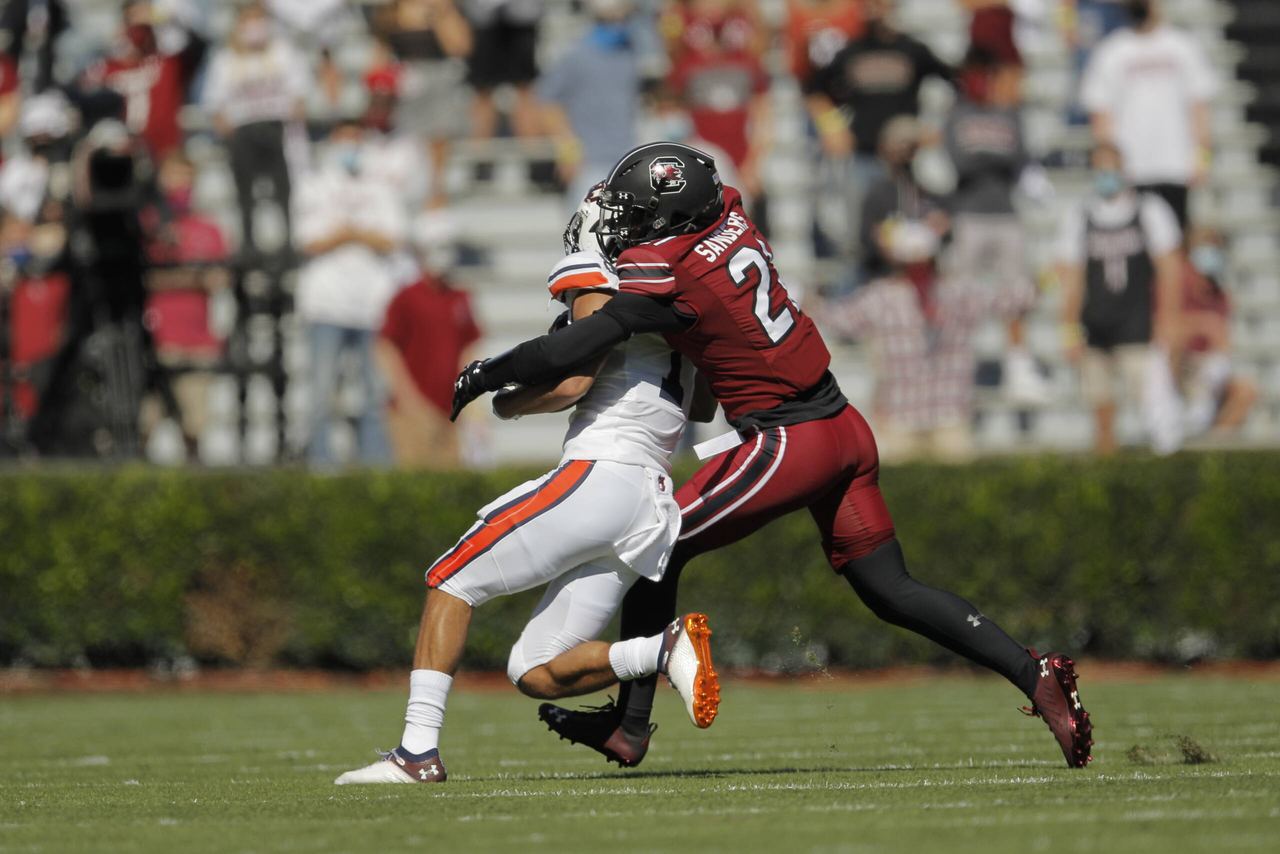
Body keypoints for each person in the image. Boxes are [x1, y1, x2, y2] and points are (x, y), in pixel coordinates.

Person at [451, 142, 1094, 770]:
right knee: (892, 590)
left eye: (640, 213)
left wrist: (485, 374)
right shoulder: (730, 212)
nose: (630, 225)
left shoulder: (666, 264)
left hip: (789, 438)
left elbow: (571, 352)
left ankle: (630, 725)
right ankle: (1034, 673)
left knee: (658, 544)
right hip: (845, 425)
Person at [334, 202, 719, 784]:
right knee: (532, 668)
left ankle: (416, 753)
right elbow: (704, 405)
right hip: (652, 498)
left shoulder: (602, 275)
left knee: (451, 580)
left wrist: (508, 402)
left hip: (603, 473)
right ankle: (661, 651)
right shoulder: (689, 296)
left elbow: (572, 382)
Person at [1056, 143, 1183, 455]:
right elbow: (1071, 277)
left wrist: (1167, 320)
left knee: (1155, 415)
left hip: (1138, 328)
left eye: (1110, 168)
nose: (1106, 176)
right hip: (1096, 329)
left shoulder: (1149, 209)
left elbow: (1170, 270)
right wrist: (1069, 330)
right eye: (1099, 169)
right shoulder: (1081, 214)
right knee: (1102, 417)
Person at [292, 120, 406, 467]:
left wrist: (344, 234)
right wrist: (359, 235)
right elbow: (309, 241)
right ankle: (322, 464)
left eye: (357, 139)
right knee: (323, 392)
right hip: (325, 304)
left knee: (374, 393)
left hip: (372, 304)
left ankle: (375, 463)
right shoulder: (313, 185)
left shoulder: (381, 187)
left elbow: (392, 239)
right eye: (344, 139)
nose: (351, 147)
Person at [943, 47, 1048, 405]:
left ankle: (1018, 365)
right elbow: (960, 161)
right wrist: (993, 157)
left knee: (1015, 293)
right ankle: (957, 366)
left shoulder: (1010, 114)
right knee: (960, 296)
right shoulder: (957, 115)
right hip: (969, 215)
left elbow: (1018, 157)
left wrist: (985, 156)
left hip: (1005, 214)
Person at [807, 0, 953, 247]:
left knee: (908, 234)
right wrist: (833, 129)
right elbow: (814, 90)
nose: (876, 10)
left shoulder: (913, 50)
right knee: (862, 235)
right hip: (865, 155)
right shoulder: (852, 52)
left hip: (905, 161)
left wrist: (940, 128)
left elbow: (957, 81)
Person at [1079, 0, 1216, 230]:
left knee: (1175, 240)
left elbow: (1199, 107)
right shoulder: (1111, 51)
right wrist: (1109, 166)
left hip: (1176, 167)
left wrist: (1202, 160)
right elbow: (1100, 114)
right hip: (1131, 172)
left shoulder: (1183, 46)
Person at [138, 150, 230, 460]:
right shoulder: (147, 226)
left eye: (186, 178)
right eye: (173, 178)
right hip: (155, 341)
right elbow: (140, 278)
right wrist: (191, 276)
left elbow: (219, 278)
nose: (179, 186)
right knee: (143, 427)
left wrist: (171, 276)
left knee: (194, 432)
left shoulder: (209, 228)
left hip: (197, 342)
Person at [203, 3, 310, 265]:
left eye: (259, 20)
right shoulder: (225, 59)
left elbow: (300, 98)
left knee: (285, 191)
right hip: (243, 132)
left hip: (278, 128)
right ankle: (248, 244)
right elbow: (215, 106)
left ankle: (289, 244)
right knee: (245, 193)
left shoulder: (285, 52)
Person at [376, 223, 481, 469]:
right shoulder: (407, 297)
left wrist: (468, 402)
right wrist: (410, 400)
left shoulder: (460, 297)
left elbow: (469, 349)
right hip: (412, 412)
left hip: (449, 411)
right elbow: (385, 348)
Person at [664, 0, 771, 202]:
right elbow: (672, 111)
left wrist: (753, 164)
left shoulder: (746, 62)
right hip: (699, 156)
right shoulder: (686, 63)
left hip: (741, 157)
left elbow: (763, 113)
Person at [538, 0, 641, 208]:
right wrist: (569, 152)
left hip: (629, 161)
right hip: (590, 166)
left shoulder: (630, 51)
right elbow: (545, 104)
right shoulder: (575, 55)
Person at [372, 0, 473, 208]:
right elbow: (380, 52)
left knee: (438, 137)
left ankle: (436, 193)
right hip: (404, 82)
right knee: (407, 141)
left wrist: (438, 14)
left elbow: (459, 46)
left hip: (438, 81)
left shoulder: (444, 7)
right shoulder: (391, 11)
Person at [80, 0, 207, 159]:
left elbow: (199, 45)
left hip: (164, 153)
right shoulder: (104, 68)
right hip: (121, 156)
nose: (137, 36)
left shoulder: (166, 64)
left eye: (144, 29)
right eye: (133, 26)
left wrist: (164, 17)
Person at [1179, 227, 1257, 438]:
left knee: (1246, 392)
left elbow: (1222, 340)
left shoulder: (1219, 295)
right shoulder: (1176, 286)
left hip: (1204, 367)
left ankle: (1212, 445)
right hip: (1179, 364)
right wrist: (1201, 324)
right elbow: (1164, 329)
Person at [464, 0, 542, 138]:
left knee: (524, 88)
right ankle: (480, 156)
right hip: (482, 19)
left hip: (522, 18)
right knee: (482, 90)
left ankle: (534, 154)